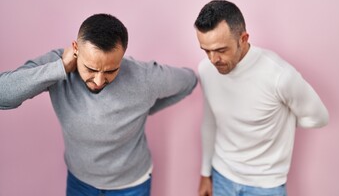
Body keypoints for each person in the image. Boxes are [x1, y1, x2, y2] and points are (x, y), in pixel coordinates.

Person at [0, 13, 198, 196]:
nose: (99, 80)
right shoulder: (56, 65)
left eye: (111, 71)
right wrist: (59, 68)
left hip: (132, 186)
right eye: (90, 69)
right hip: (80, 182)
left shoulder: (145, 77)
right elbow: (3, 94)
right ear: (75, 49)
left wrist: (146, 110)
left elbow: (189, 81)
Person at [194, 0, 329, 196]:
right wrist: (205, 173)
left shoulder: (279, 76)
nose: (213, 59)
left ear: (243, 38)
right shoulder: (205, 70)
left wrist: (281, 120)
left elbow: (320, 117)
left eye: (221, 50)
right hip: (222, 176)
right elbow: (210, 121)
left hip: (266, 185)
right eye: (206, 50)